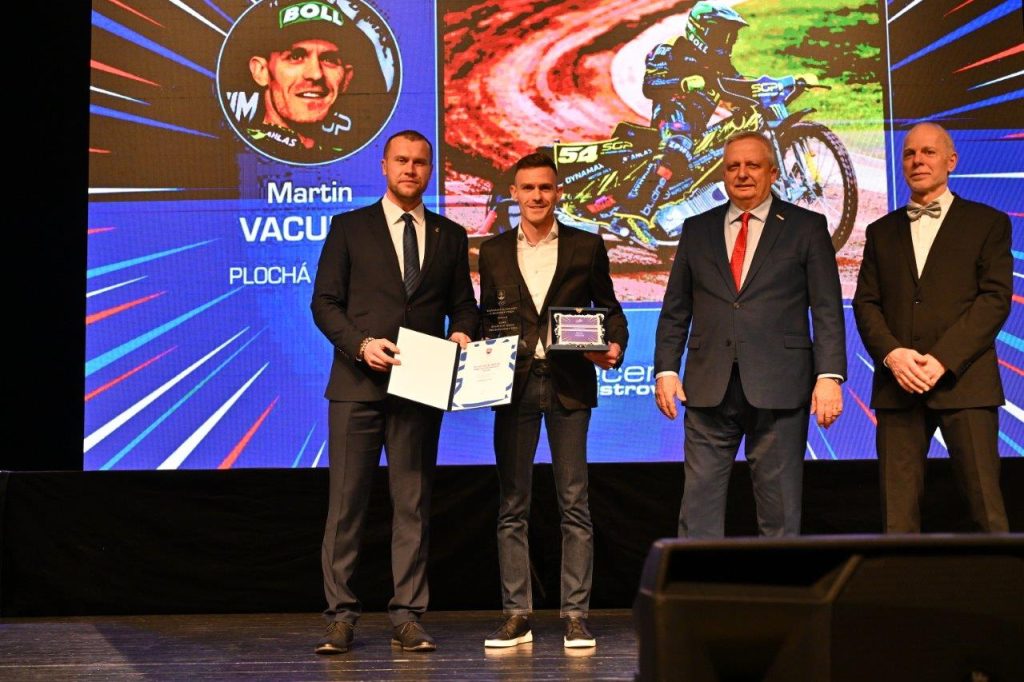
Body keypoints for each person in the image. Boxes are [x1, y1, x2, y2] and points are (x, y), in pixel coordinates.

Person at [310, 130, 478, 654]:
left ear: (430, 170)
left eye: (420, 162)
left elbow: (464, 305)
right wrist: (361, 345)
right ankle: (340, 616)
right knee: (346, 507)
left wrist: (462, 332)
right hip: (356, 386)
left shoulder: (451, 235)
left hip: (419, 387)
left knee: (413, 506)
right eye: (401, 160)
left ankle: (407, 615)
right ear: (384, 166)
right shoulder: (349, 227)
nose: (411, 169)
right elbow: (324, 303)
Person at [653, 131, 846, 538]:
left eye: (753, 165)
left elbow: (827, 309)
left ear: (773, 173)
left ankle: (778, 584)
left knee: (780, 515)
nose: (742, 174)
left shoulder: (807, 227)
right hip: (708, 388)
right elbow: (676, 308)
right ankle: (697, 583)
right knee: (698, 512)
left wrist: (829, 376)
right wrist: (666, 369)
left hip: (781, 388)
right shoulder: (697, 229)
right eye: (733, 166)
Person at [477, 153, 628, 649]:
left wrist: (614, 345)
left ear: (558, 192)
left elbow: (610, 310)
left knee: (574, 504)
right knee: (512, 506)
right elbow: (485, 318)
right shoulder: (493, 251)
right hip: (512, 386)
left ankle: (575, 616)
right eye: (528, 188)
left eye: (545, 187)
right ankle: (516, 615)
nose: (537, 196)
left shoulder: (586, 245)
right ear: (514, 193)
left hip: (569, 385)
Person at [852, 122, 1011, 533]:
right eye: (909, 153)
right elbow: (866, 303)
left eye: (928, 152)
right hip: (898, 387)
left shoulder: (988, 222)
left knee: (988, 513)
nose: (917, 161)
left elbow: (994, 299)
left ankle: (1003, 578)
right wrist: (893, 355)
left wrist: (942, 359)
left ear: (951, 161)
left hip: (965, 384)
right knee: (897, 521)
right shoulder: (880, 231)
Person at [617, 1, 748, 243]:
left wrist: (788, 84)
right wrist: (683, 83)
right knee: (679, 145)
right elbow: (650, 85)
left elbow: (743, 90)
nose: (727, 41)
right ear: (704, 31)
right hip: (670, 124)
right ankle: (634, 213)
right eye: (723, 34)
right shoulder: (671, 51)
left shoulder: (722, 67)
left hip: (699, 134)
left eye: (731, 36)